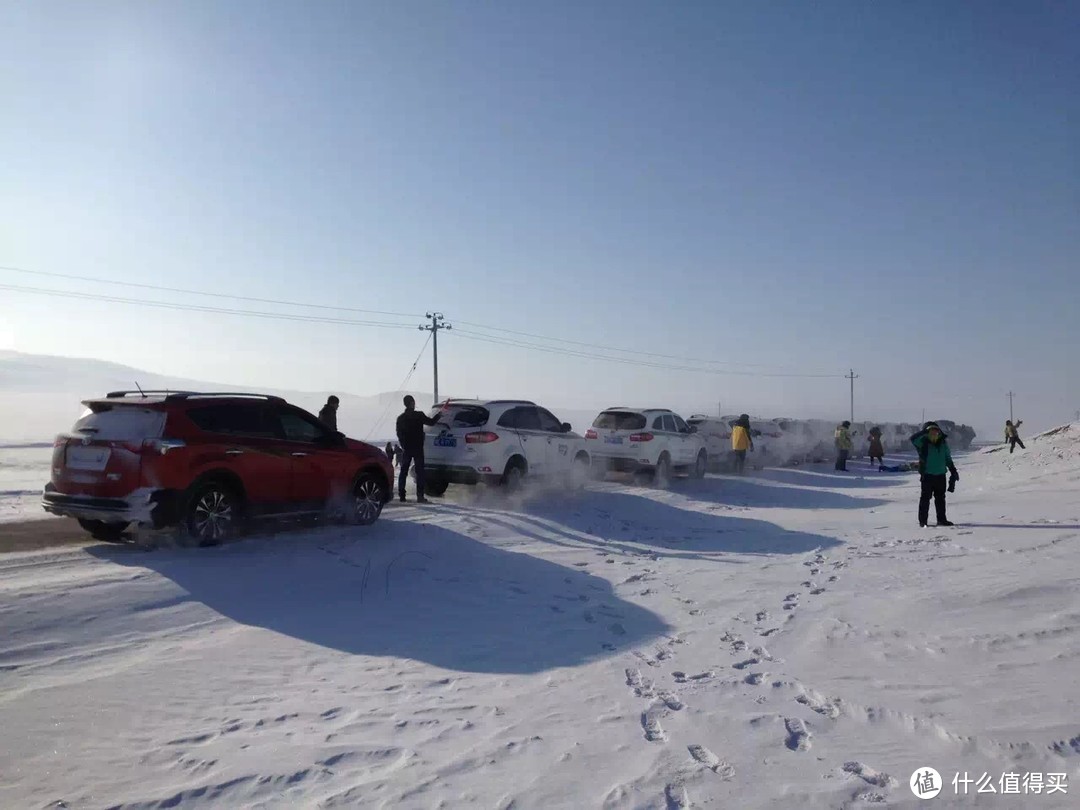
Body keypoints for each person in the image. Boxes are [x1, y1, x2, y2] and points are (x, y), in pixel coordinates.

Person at [910, 421, 959, 528]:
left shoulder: (943, 443)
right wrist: (924, 431)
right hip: (927, 475)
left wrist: (953, 471)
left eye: (936, 431)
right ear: (926, 433)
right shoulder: (922, 443)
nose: (934, 434)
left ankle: (941, 520)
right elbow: (912, 439)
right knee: (925, 498)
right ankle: (923, 521)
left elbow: (947, 458)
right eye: (931, 431)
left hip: (941, 475)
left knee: (940, 498)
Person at [395, 395, 440, 503]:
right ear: (412, 403)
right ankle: (420, 496)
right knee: (420, 472)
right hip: (418, 448)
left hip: (407, 448)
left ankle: (402, 495)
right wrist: (439, 415)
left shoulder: (401, 418)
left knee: (403, 472)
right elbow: (431, 422)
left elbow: (399, 433)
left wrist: (403, 445)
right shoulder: (419, 415)